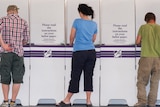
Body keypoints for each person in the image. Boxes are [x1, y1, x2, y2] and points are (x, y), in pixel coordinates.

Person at [56, 3, 97, 107]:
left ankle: (67, 100)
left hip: (79, 52)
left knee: (75, 76)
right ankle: (88, 101)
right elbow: (93, 39)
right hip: (91, 52)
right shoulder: (94, 24)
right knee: (89, 76)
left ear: (80, 12)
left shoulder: (77, 22)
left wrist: (71, 43)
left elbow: (72, 36)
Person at [0, 5, 30, 107]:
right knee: (17, 78)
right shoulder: (24, 22)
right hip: (19, 53)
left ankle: (5, 101)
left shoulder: (2, 20)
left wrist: (3, 44)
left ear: (8, 11)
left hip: (5, 53)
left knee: (5, 77)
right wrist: (18, 43)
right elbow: (26, 39)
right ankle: (13, 102)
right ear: (16, 11)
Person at [134, 12, 160, 107]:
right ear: (154, 19)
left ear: (146, 20)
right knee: (155, 82)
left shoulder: (143, 27)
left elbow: (137, 41)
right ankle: (152, 103)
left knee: (141, 81)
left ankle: (142, 101)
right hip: (158, 59)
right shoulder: (159, 28)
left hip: (146, 58)